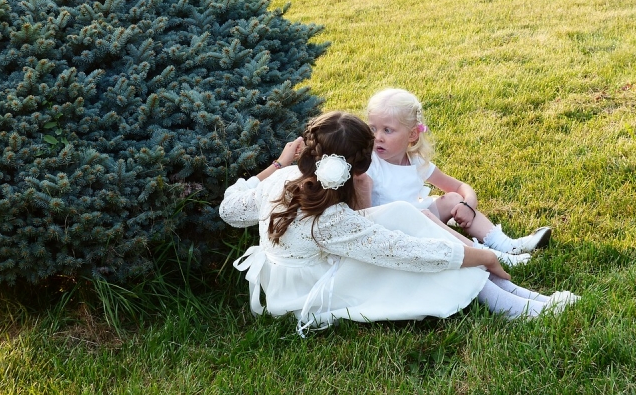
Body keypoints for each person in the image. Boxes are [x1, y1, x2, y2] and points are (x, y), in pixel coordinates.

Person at [219, 112, 579, 336]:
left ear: (306, 152)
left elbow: (231, 210)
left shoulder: (286, 179)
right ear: (359, 167)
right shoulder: (330, 220)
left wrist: (278, 164)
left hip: (304, 270)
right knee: (416, 258)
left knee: (403, 215)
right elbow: (408, 253)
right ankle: (520, 306)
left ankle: (519, 295)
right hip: (307, 294)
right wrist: (478, 256)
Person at [363, 88, 552, 265]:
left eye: (387, 130)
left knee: (453, 199)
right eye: (372, 129)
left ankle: (507, 244)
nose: (377, 137)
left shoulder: (415, 162)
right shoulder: (370, 165)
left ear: (412, 134)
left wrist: (468, 204)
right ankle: (490, 256)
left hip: (419, 215)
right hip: (394, 231)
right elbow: (365, 213)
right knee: (425, 216)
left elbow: (460, 187)